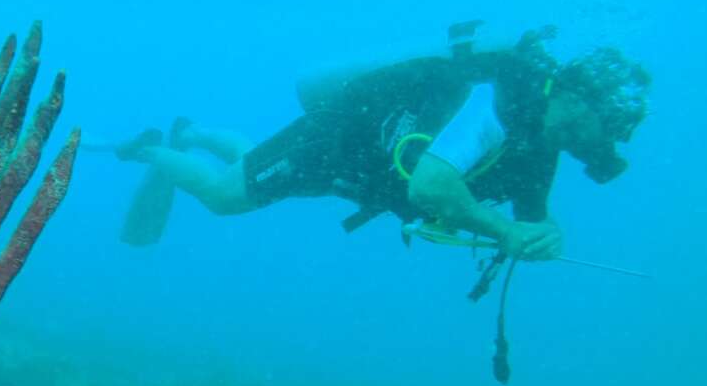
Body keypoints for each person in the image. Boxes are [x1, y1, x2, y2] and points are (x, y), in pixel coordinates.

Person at [112, 25, 651, 259]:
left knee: (251, 167)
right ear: (575, 97)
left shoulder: (541, 142)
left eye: (589, 144)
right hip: (340, 137)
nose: (578, 146)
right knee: (223, 198)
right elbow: (432, 187)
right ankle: (150, 150)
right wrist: (505, 230)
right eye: (585, 132)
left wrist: (544, 235)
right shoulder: (498, 100)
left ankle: (192, 133)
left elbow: (534, 216)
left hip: (365, 166)